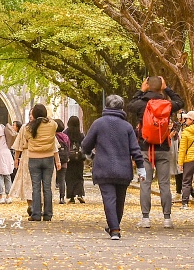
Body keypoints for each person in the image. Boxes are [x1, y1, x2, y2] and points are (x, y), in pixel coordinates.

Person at [82, 95, 146, 240]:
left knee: (109, 199)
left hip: (103, 168)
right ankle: (114, 226)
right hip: (123, 169)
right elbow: (135, 149)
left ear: (107, 106)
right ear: (121, 107)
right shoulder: (127, 126)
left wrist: (91, 156)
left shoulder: (98, 124)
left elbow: (85, 145)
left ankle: (115, 229)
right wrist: (141, 168)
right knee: (120, 199)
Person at [127, 75, 185, 228]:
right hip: (163, 147)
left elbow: (130, 105)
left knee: (145, 183)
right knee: (164, 184)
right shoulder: (168, 104)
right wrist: (167, 89)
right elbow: (180, 102)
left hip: (145, 148)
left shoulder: (141, 104)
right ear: (161, 87)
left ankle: (145, 218)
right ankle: (167, 219)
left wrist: (141, 90)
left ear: (147, 85)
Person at [23, 104, 59, 221]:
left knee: (36, 187)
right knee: (47, 188)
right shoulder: (52, 125)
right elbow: (55, 126)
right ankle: (48, 214)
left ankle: (36, 214)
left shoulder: (29, 127)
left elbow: (27, 137)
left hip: (34, 158)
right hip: (48, 158)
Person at [64, 116, 86, 203]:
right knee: (79, 176)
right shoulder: (80, 134)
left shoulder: (66, 133)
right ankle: (80, 194)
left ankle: (71, 197)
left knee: (69, 177)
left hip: (69, 159)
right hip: (79, 159)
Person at [55, 119, 70, 203]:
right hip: (64, 160)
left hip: (54, 160)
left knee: (50, 179)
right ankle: (62, 198)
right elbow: (68, 147)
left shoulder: (53, 136)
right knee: (62, 179)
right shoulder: (65, 137)